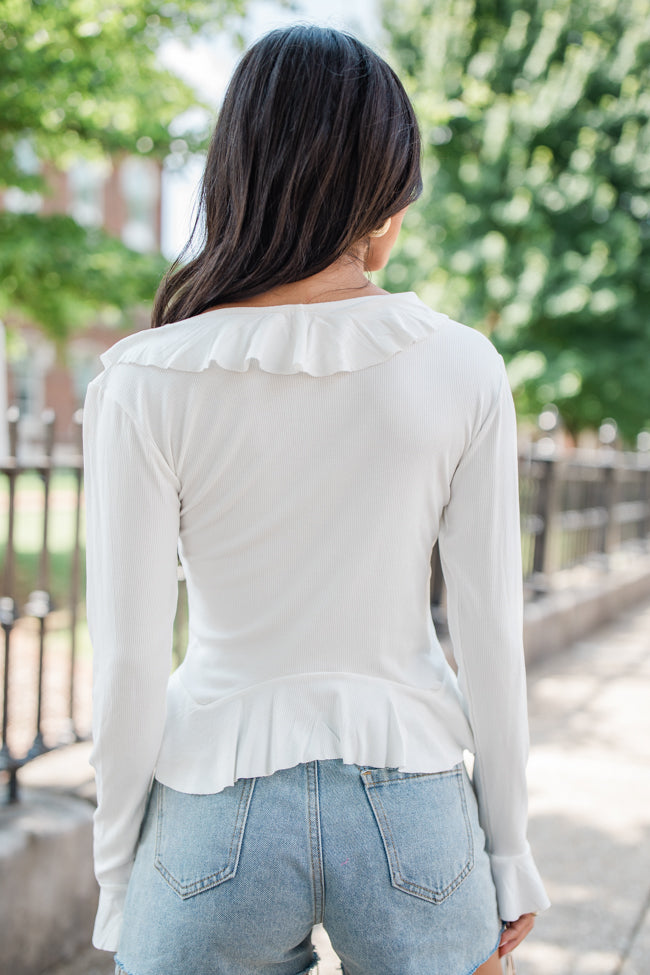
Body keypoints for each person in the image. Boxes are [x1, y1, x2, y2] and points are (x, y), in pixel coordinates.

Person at [83, 24, 550, 975]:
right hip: (415, 810)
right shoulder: (464, 367)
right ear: (383, 200)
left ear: (235, 176)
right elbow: (493, 637)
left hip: (212, 813)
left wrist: (118, 881)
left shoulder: (142, 379)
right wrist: (510, 852)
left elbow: (129, 661)